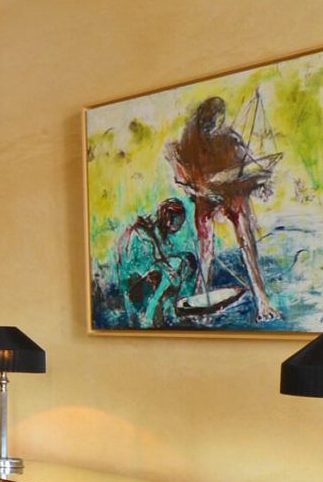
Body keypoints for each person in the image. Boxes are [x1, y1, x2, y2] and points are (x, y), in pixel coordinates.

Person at [167, 95, 278, 321]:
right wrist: (202, 192)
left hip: (233, 196)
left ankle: (262, 301)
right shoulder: (189, 145)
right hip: (206, 199)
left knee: (247, 243)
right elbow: (183, 181)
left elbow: (249, 168)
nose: (213, 127)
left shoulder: (230, 140)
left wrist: (261, 186)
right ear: (202, 120)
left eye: (217, 121)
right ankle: (201, 302)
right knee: (206, 251)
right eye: (209, 122)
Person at [114, 198, 196, 327]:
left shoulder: (155, 232)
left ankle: (169, 312)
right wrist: (167, 270)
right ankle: (150, 314)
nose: (180, 227)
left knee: (182, 263)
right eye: (178, 222)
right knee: (176, 265)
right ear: (169, 219)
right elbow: (139, 267)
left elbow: (158, 260)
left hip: (142, 280)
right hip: (134, 286)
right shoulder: (143, 235)